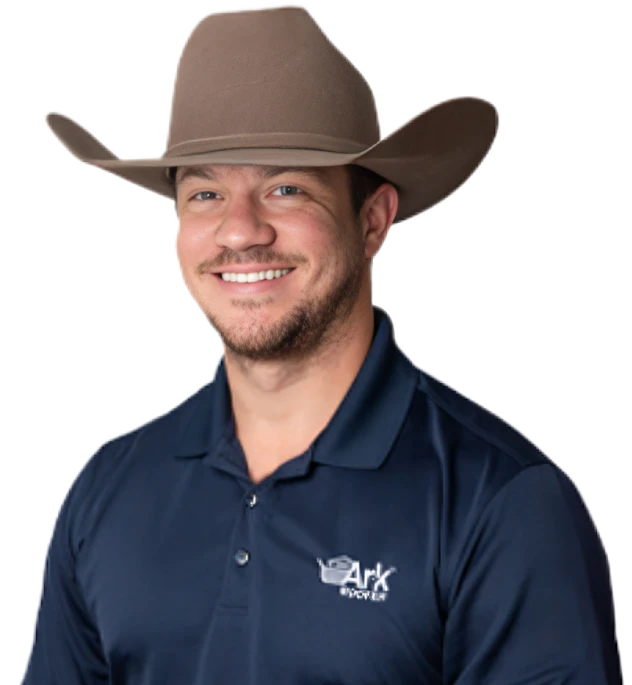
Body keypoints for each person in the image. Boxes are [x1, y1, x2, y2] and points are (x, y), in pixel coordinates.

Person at [26, 4, 623, 684]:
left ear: (373, 220)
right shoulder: (110, 491)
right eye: (204, 194)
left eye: (286, 188)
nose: (240, 231)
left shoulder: (502, 504)